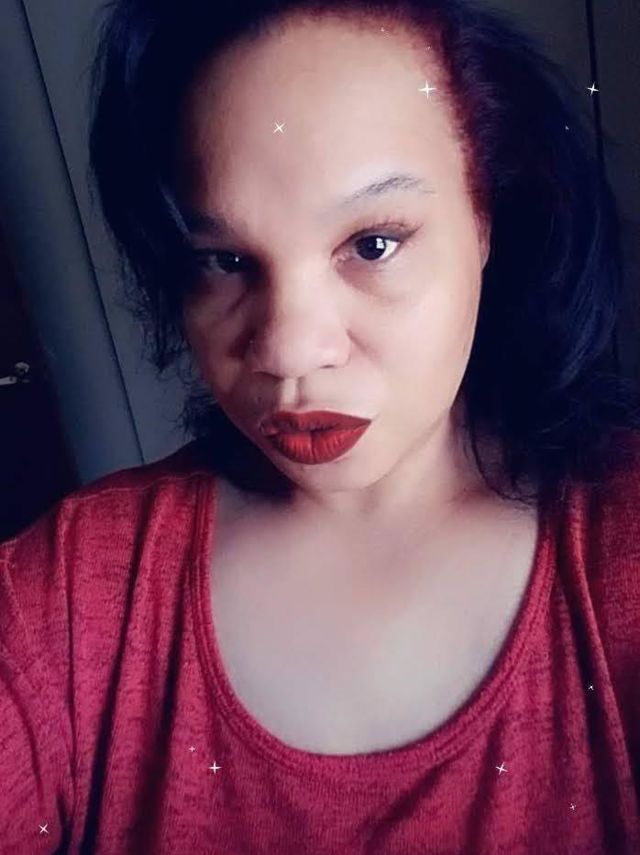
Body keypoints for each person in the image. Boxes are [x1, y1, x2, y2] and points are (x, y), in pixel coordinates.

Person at [2, 0, 640, 852]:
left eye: (373, 244)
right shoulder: (74, 592)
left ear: (487, 219)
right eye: (226, 261)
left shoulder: (619, 550)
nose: (289, 349)